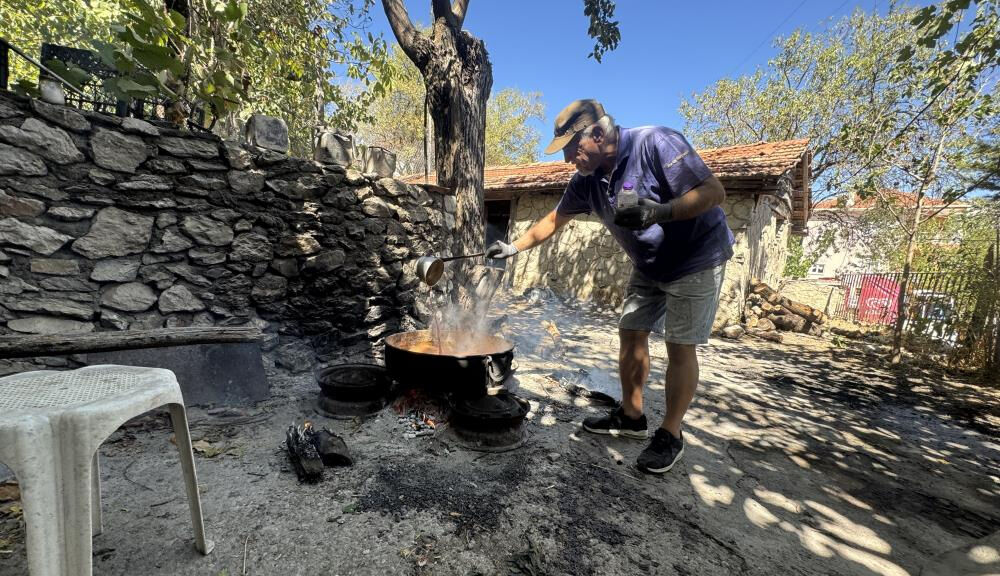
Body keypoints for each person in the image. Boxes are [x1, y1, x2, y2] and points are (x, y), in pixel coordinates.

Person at [485, 99, 733, 474]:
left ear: (598, 134)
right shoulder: (586, 181)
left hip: (697, 257)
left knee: (679, 346)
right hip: (649, 265)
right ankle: (632, 417)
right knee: (631, 332)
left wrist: (659, 211)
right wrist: (513, 247)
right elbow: (555, 218)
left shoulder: (655, 143)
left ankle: (671, 433)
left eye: (572, 149)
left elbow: (714, 192)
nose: (568, 159)